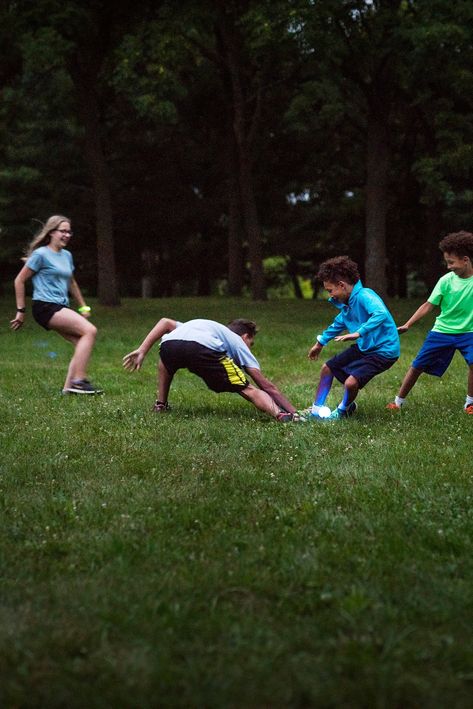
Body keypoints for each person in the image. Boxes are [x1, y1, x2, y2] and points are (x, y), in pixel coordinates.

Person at [122, 317, 303, 422]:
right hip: (204, 348)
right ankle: (281, 416)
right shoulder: (238, 342)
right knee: (247, 389)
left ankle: (160, 405)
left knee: (165, 363)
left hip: (170, 345)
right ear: (245, 336)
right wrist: (294, 412)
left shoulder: (203, 325)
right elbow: (266, 386)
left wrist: (143, 350)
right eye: (251, 343)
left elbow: (164, 322)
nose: (250, 347)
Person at [10, 214, 102, 395]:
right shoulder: (41, 254)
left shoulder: (67, 255)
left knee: (81, 342)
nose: (67, 235)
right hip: (45, 306)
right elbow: (19, 281)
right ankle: (79, 381)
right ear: (51, 233)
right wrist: (21, 310)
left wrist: (83, 306)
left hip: (60, 306)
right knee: (90, 331)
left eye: (69, 232)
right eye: (63, 231)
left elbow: (72, 282)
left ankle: (68, 388)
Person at [387, 231, 473, 414]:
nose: (449, 266)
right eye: (447, 262)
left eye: (452, 262)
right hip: (442, 331)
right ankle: (398, 402)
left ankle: (470, 404)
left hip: (469, 333)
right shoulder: (445, 281)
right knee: (417, 365)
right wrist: (408, 324)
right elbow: (428, 305)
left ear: (465, 260)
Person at [307, 256, 400, 420]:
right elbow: (339, 323)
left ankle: (343, 410)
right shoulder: (348, 302)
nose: (330, 295)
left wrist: (358, 333)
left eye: (330, 290)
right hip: (365, 347)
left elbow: (381, 314)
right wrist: (320, 343)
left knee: (351, 383)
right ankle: (315, 410)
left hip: (384, 351)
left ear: (342, 285)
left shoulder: (365, 296)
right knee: (327, 368)